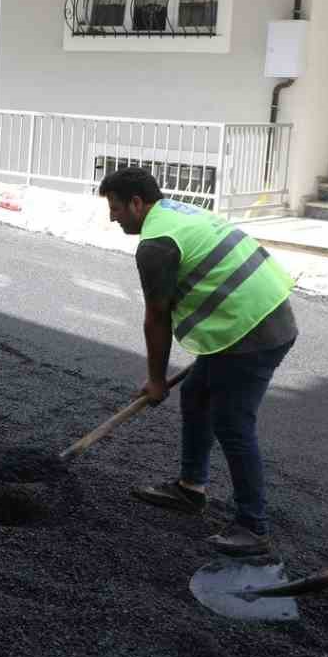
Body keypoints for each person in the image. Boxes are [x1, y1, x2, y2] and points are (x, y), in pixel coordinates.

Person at [99, 167, 298, 557]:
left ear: (137, 203)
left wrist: (155, 380)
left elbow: (157, 317)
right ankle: (191, 489)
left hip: (251, 331)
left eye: (117, 208)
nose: (113, 217)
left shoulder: (156, 244)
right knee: (196, 396)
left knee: (232, 422)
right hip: (262, 314)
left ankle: (253, 527)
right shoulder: (176, 212)